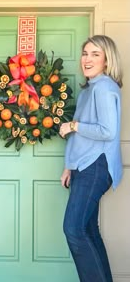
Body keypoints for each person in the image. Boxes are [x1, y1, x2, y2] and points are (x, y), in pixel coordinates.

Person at [59, 35, 123, 282]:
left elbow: (107, 131)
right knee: (87, 230)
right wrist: (69, 166)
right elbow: (82, 138)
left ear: (107, 60)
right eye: (85, 53)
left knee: (74, 229)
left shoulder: (104, 87)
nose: (87, 59)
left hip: (96, 166)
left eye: (95, 54)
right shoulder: (91, 89)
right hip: (84, 165)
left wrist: (74, 125)